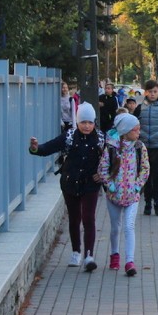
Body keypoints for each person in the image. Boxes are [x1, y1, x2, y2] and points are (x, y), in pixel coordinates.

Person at [29, 102, 104, 271]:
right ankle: (76, 251)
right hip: (70, 182)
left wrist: (103, 175)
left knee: (89, 218)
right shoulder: (69, 136)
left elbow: (111, 159)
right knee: (74, 217)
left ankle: (89, 256)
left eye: (90, 122)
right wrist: (35, 148)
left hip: (91, 184)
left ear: (94, 123)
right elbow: (48, 148)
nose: (86, 126)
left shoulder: (101, 138)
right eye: (83, 122)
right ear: (77, 122)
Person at [98, 113, 149, 277]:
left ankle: (129, 261)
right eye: (135, 130)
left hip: (132, 196)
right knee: (115, 228)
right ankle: (114, 254)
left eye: (139, 129)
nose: (138, 133)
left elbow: (145, 169)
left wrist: (137, 186)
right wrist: (109, 185)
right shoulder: (112, 148)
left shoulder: (140, 147)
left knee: (129, 226)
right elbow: (102, 169)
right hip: (114, 196)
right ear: (125, 131)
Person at [133, 79, 158, 216]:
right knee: (145, 175)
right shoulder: (140, 108)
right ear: (146, 92)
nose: (152, 94)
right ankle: (147, 202)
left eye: (155, 91)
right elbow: (133, 126)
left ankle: (157, 200)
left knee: (157, 175)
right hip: (143, 147)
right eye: (150, 92)